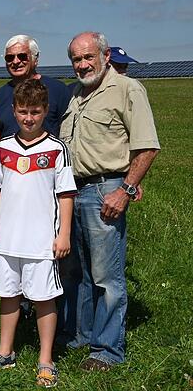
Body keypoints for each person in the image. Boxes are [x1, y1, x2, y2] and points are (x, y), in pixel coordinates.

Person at [60, 31, 160, 371]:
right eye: (76, 59)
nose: (83, 64)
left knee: (106, 277)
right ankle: (79, 335)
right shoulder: (76, 95)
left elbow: (147, 146)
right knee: (76, 271)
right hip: (72, 192)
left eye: (89, 57)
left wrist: (126, 190)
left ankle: (107, 351)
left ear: (104, 55)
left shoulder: (127, 89)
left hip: (106, 189)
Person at [0, 78, 76, 388]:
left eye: (34, 111)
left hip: (41, 241)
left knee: (44, 299)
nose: (28, 118)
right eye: (22, 111)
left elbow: (66, 194)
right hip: (7, 239)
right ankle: (6, 351)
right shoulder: (4, 147)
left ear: (45, 111)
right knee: (8, 295)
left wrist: (64, 234)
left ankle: (46, 359)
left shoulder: (56, 149)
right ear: (14, 112)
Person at [0, 35, 71, 169]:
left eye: (22, 56)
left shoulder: (58, 90)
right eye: (10, 57)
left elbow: (68, 136)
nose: (15, 61)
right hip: (11, 172)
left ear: (35, 59)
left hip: (47, 170)